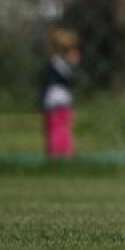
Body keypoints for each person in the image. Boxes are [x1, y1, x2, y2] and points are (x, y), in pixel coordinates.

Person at [39, 26, 81, 159]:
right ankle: (59, 155)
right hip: (57, 101)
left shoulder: (58, 64)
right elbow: (70, 80)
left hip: (57, 101)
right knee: (58, 129)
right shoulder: (59, 65)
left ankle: (60, 153)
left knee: (60, 128)